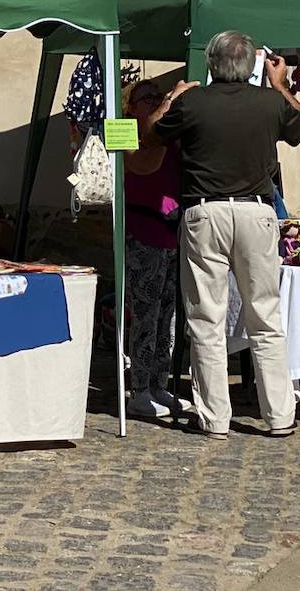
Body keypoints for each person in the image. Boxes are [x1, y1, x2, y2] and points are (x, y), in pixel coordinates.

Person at [141, 30, 300, 439]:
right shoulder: (270, 102)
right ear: (251, 64)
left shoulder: (193, 102)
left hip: (206, 212)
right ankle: (278, 416)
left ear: (212, 64)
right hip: (256, 212)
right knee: (266, 317)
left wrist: (172, 96)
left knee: (206, 318)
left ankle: (215, 417)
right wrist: (279, 84)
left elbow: (148, 135)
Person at [122, 78, 186, 418]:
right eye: (147, 97)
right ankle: (139, 388)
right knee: (145, 314)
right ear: (132, 105)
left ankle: (159, 383)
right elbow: (140, 164)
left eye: (157, 97)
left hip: (171, 234)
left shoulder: (168, 133)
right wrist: (163, 116)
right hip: (142, 231)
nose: (154, 101)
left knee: (168, 316)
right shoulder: (123, 128)